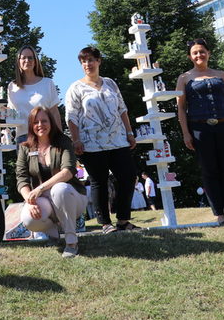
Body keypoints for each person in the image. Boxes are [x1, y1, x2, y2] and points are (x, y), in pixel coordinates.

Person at [65, 46, 139, 233]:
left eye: (91, 60)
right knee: (99, 181)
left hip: (117, 140)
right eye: (83, 61)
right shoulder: (75, 88)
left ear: (99, 61)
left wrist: (129, 133)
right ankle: (105, 223)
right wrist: (76, 140)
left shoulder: (111, 84)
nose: (87, 64)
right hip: (91, 144)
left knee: (128, 177)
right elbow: (71, 116)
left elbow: (122, 109)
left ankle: (123, 220)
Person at [176, 39, 224, 226]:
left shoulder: (221, 75)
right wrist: (185, 133)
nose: (199, 55)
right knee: (209, 171)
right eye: (195, 53)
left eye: (202, 51)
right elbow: (181, 109)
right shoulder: (184, 78)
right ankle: (220, 215)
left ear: (208, 53)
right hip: (200, 128)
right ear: (189, 56)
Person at [16, 106, 87, 258]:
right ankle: (53, 234)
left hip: (71, 195)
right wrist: (29, 200)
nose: (40, 125)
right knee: (28, 219)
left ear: (51, 122)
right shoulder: (25, 148)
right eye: (36, 122)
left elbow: (68, 171)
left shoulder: (63, 141)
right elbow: (21, 179)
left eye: (44, 121)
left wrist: (40, 189)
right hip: (45, 199)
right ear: (31, 125)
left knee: (59, 189)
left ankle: (71, 242)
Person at [8, 45, 61, 142]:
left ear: (35, 61)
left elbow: (54, 112)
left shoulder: (47, 83)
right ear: (18, 61)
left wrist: (61, 138)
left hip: (46, 136)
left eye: (30, 57)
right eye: (23, 58)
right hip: (23, 138)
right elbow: (11, 112)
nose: (27, 60)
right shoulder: (12, 86)